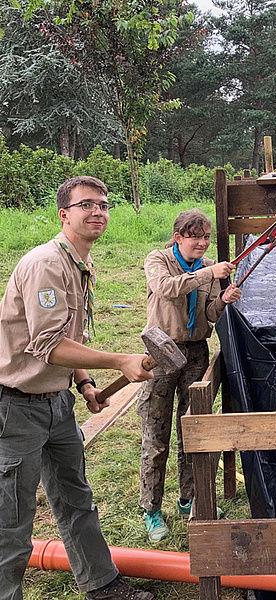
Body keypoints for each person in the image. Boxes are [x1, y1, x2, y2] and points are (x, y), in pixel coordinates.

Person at [0, 176, 155, 600]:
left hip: (57, 404)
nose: (98, 212)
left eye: (103, 205)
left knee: (76, 500)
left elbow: (73, 337)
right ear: (63, 214)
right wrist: (119, 361)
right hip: (16, 409)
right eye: (86, 204)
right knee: (12, 521)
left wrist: (86, 383)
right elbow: (48, 344)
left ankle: (101, 585)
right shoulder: (47, 263)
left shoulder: (79, 263)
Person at [136, 209, 241, 542]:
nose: (202, 242)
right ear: (178, 237)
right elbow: (166, 288)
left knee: (192, 429)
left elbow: (209, 313)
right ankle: (151, 510)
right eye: (195, 236)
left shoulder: (209, 268)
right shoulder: (158, 260)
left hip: (195, 354)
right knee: (156, 433)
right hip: (161, 352)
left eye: (206, 236)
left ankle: (188, 498)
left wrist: (223, 299)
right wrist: (209, 272)